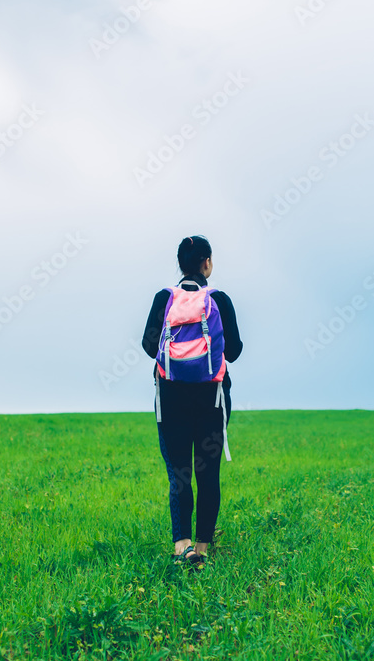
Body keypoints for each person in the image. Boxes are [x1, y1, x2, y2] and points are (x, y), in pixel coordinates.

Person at [141, 235, 243, 565]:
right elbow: (235, 352)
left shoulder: (163, 299)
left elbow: (147, 345)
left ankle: (181, 545)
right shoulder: (220, 299)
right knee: (207, 473)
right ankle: (202, 547)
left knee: (180, 474)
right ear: (207, 263)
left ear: (181, 264)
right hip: (211, 399)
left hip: (171, 398)